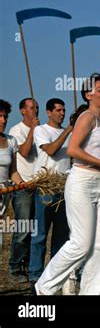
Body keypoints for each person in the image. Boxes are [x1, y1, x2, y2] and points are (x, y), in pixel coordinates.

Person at [35, 73, 100, 295]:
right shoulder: (87, 117)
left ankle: (91, 293)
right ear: (88, 94)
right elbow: (72, 150)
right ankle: (44, 288)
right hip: (82, 182)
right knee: (80, 244)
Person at [29, 98, 72, 292]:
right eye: (58, 111)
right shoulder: (41, 130)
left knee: (61, 238)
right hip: (45, 189)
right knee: (40, 236)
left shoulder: (68, 134)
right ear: (48, 112)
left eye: (63, 111)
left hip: (64, 189)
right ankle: (35, 276)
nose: (61, 114)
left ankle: (54, 276)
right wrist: (69, 130)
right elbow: (52, 151)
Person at [8, 98, 39, 282]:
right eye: (31, 108)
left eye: (36, 107)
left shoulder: (40, 129)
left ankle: (28, 265)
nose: (35, 110)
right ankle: (15, 267)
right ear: (22, 111)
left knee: (34, 229)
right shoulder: (16, 131)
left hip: (38, 185)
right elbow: (25, 152)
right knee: (23, 228)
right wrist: (33, 130)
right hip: (22, 185)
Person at [0, 100, 25, 249]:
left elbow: (13, 172)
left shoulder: (11, 141)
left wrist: (22, 184)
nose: (3, 121)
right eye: (0, 116)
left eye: (5, 117)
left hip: (4, 192)